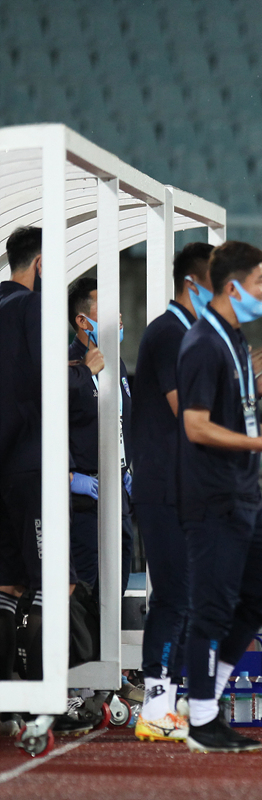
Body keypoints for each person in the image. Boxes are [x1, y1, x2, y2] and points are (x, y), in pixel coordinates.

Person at [177, 241, 262, 753]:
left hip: (242, 493)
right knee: (212, 608)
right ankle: (200, 717)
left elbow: (227, 406)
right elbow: (195, 425)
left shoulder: (233, 339)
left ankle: (205, 702)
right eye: (260, 280)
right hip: (213, 495)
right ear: (234, 287)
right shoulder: (202, 343)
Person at [129, 242, 219, 742]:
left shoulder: (192, 335)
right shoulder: (168, 333)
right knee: (174, 596)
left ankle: (177, 699)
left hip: (185, 488)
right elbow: (188, 412)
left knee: (190, 597)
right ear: (192, 284)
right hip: (163, 486)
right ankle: (155, 703)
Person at [0, 227, 93, 685]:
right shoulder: (34, 307)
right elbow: (48, 382)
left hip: (4, 467)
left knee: (7, 584)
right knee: (57, 581)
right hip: (32, 463)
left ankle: (7, 701)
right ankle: (49, 696)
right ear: (40, 263)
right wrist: (84, 374)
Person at [65, 277, 134, 596]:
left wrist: (128, 467)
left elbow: (123, 420)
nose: (117, 316)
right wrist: (68, 477)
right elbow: (42, 426)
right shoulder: (66, 367)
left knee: (118, 580)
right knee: (87, 589)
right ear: (83, 321)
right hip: (83, 497)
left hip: (118, 488)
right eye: (106, 309)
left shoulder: (115, 362)